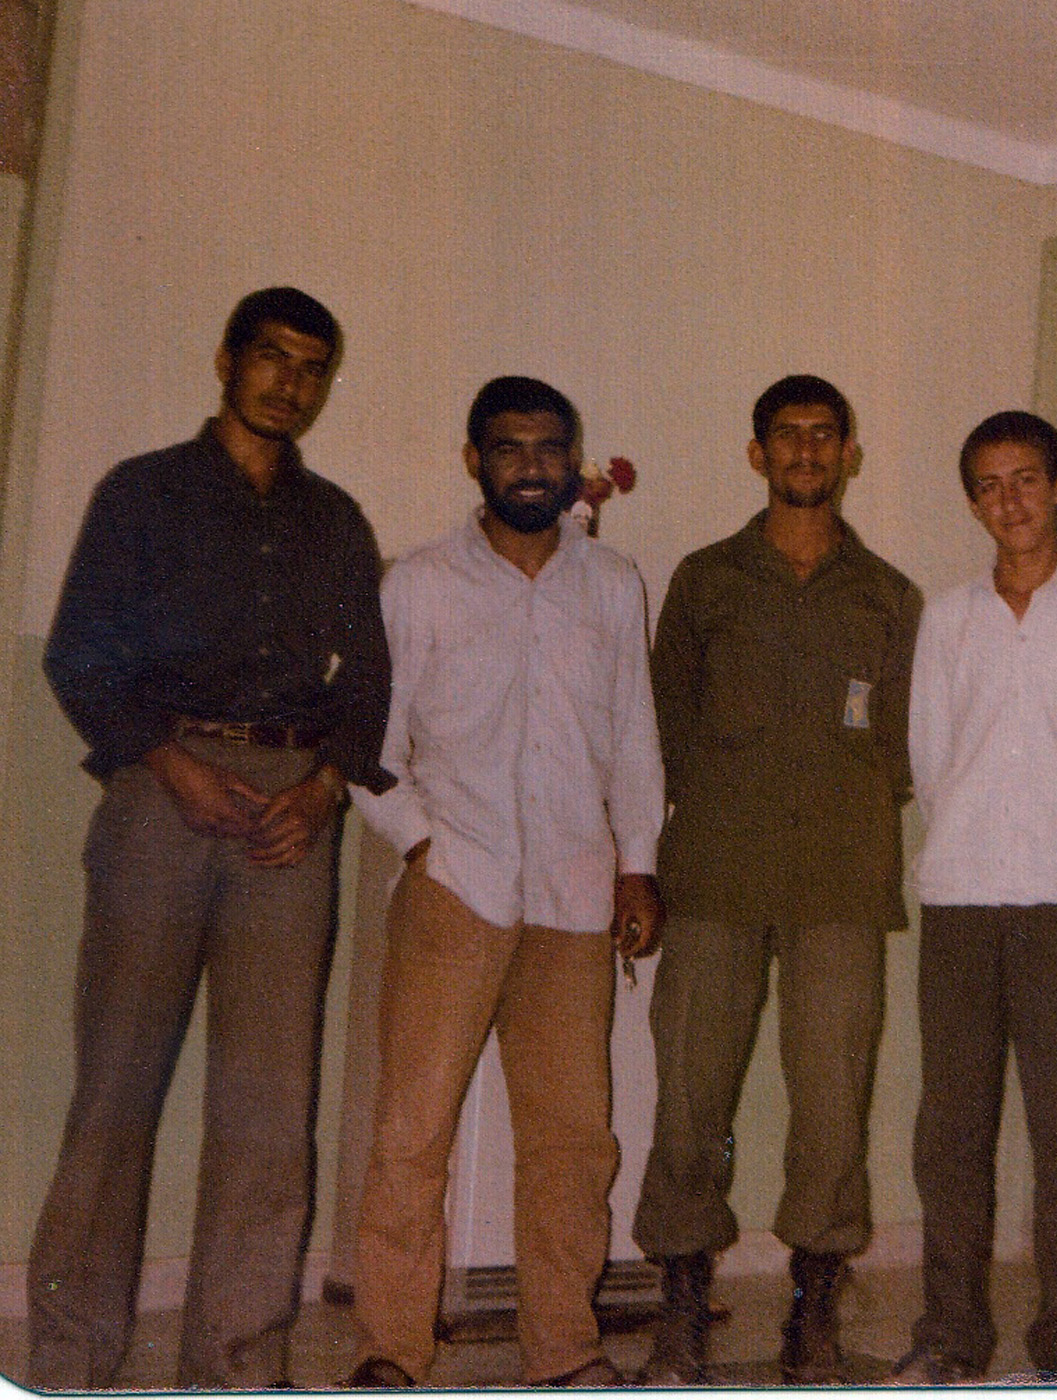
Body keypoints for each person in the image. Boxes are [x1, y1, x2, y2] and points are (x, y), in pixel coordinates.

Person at [31, 287, 393, 1389]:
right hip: (162, 784)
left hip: (291, 809)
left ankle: (236, 1364)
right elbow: (78, 653)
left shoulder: (335, 520)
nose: (290, 383)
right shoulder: (142, 493)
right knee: (116, 1089)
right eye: (272, 357)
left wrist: (326, 786)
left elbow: (371, 679)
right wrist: (170, 762)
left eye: (312, 367)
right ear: (227, 360)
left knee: (271, 1108)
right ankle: (70, 1359)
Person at [342, 376, 665, 1388]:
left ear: (574, 461)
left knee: (574, 1141)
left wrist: (637, 865)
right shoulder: (420, 583)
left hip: (575, 892)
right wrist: (421, 845)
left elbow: (635, 739)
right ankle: (393, 1347)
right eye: (509, 447)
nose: (531, 465)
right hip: (456, 887)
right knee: (413, 1130)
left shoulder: (612, 583)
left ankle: (563, 1349)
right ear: (473, 459)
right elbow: (369, 744)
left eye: (549, 447)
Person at [633, 374, 922, 1384]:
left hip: (840, 877)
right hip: (716, 871)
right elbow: (662, 723)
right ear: (757, 454)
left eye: (823, 434)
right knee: (689, 1094)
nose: (806, 450)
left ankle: (814, 1308)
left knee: (834, 1100)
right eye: (787, 435)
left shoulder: (888, 595)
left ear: (850, 453)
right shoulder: (706, 580)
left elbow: (901, 748)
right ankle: (680, 1304)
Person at [891, 411, 1057, 1384]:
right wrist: (968, 847)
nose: (1011, 502)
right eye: (990, 486)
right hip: (959, 901)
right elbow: (929, 757)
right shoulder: (947, 618)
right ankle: (952, 1332)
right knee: (950, 1133)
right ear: (973, 503)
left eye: (1027, 479)